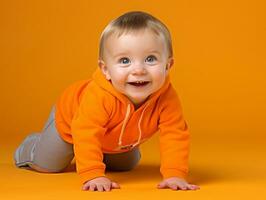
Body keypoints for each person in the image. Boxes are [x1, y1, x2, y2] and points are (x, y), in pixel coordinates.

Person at [14, 11, 200, 192]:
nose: (139, 70)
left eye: (150, 59)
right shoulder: (99, 96)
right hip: (71, 124)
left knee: (126, 165)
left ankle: (101, 152)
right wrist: (93, 174)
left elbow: (175, 134)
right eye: (125, 60)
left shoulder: (167, 98)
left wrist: (175, 174)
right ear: (106, 69)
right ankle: (32, 144)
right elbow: (85, 131)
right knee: (48, 165)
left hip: (115, 139)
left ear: (168, 65)